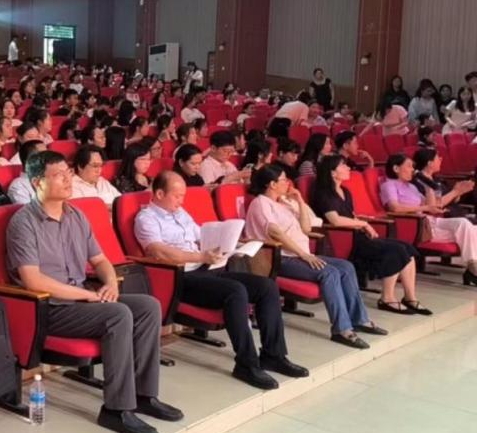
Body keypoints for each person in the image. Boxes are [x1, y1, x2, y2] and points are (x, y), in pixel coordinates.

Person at [7, 150, 182, 433]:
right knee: (118, 314)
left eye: (68, 173)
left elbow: (100, 260)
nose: (68, 180)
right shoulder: (23, 223)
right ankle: (116, 409)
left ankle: (144, 395)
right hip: (50, 308)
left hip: (81, 299)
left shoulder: (76, 215)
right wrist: (86, 295)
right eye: (58, 175)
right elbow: (32, 279)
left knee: (148, 306)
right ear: (38, 182)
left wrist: (111, 283)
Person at [136, 171, 308, 390]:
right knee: (235, 291)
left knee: (266, 286)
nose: (181, 201)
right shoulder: (146, 218)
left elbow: (201, 236)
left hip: (206, 269)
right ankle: (246, 364)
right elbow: (158, 251)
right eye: (177, 196)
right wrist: (201, 257)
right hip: (180, 278)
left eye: (183, 196)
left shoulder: (180, 213)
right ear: (160, 194)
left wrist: (231, 245)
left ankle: (273, 355)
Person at [246, 166, 387, 348]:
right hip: (279, 258)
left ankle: (360, 319)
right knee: (329, 273)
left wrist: (300, 202)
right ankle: (342, 330)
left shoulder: (283, 203)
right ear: (272, 184)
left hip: (300, 254)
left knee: (346, 267)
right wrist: (304, 255)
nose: (288, 183)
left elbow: (306, 228)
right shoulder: (261, 203)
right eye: (284, 180)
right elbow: (275, 232)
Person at [312, 155, 423, 313]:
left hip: (358, 235)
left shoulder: (345, 191)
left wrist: (362, 220)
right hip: (344, 240)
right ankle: (387, 298)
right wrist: (363, 224)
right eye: (343, 166)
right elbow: (335, 220)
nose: (348, 168)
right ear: (332, 172)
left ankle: (410, 297)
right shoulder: (323, 193)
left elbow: (350, 216)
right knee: (396, 251)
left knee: (407, 248)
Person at [380, 153, 477, 287]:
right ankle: (473, 270)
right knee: (469, 230)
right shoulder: (389, 185)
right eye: (409, 166)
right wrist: (424, 207)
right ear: (396, 168)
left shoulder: (412, 187)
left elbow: (433, 205)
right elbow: (394, 208)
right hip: (415, 225)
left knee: (467, 226)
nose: (413, 170)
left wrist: (428, 188)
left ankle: (472, 268)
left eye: (413, 166)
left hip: (430, 220)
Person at [7, 139, 46, 204]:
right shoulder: (19, 185)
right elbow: (26, 209)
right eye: (44, 156)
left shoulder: (51, 179)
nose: (49, 159)